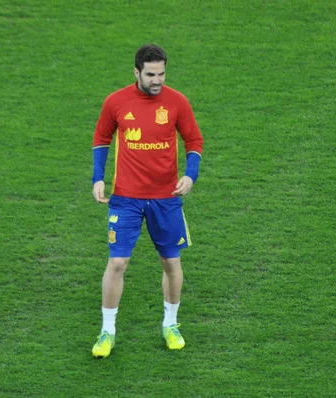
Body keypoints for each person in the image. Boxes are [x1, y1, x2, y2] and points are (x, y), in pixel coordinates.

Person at [90, 44, 204, 358]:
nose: (157, 80)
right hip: (125, 198)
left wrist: (190, 175)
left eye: (162, 74)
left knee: (171, 263)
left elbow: (194, 140)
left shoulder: (177, 101)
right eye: (151, 74)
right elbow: (102, 138)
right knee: (117, 263)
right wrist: (98, 177)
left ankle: (171, 324)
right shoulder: (116, 101)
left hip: (166, 199)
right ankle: (107, 331)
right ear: (137, 72)